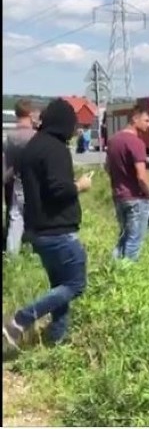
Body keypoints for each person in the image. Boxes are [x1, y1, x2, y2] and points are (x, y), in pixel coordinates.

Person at [2, 98, 92, 349]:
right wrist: (80, 185)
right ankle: (20, 320)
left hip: (38, 230)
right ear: (64, 123)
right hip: (58, 230)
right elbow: (58, 190)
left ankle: (56, 339)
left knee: (59, 288)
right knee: (75, 285)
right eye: (73, 125)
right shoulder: (56, 149)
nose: (75, 130)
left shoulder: (34, 146)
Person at [105, 105, 149, 263]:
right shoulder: (136, 143)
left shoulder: (113, 141)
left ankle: (114, 270)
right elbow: (141, 175)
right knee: (135, 240)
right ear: (135, 119)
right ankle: (127, 275)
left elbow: (107, 167)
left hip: (119, 196)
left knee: (123, 237)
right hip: (136, 198)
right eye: (146, 120)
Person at [3, 98, 38, 257]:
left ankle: (12, 253)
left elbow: (7, 163)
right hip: (34, 181)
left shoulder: (10, 136)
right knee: (34, 217)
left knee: (14, 218)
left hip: (13, 180)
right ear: (30, 113)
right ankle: (31, 249)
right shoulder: (35, 136)